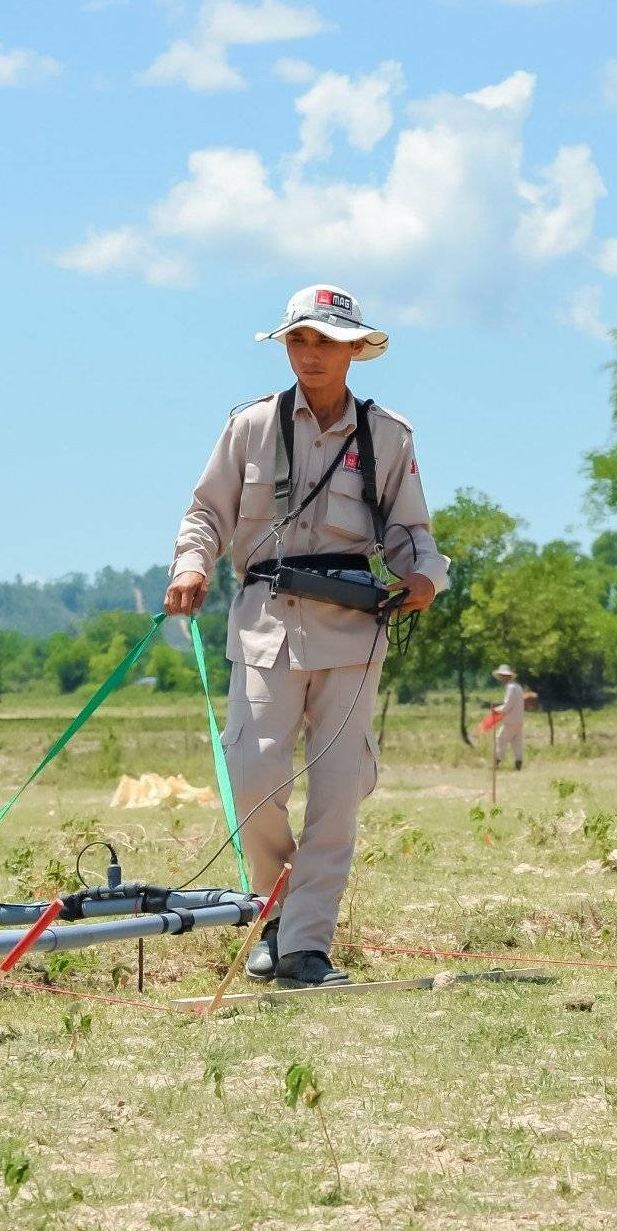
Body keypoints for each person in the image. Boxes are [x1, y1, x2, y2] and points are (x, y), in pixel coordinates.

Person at [165, 284, 447, 990]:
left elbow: (410, 532)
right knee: (252, 775)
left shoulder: (387, 435)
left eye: (325, 341)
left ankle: (305, 948)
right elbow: (206, 510)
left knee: (336, 790)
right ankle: (276, 913)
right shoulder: (250, 426)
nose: (310, 354)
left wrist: (424, 578)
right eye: (299, 339)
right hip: (263, 619)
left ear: (355, 349)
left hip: (353, 626)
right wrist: (191, 565)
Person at [491, 664, 527, 770]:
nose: (502, 678)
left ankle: (497, 762)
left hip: (511, 720)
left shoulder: (510, 687)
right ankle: (518, 763)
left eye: (503, 676)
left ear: (507, 676)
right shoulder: (518, 687)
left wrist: (496, 710)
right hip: (519, 719)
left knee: (500, 738)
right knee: (517, 742)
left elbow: (508, 705)